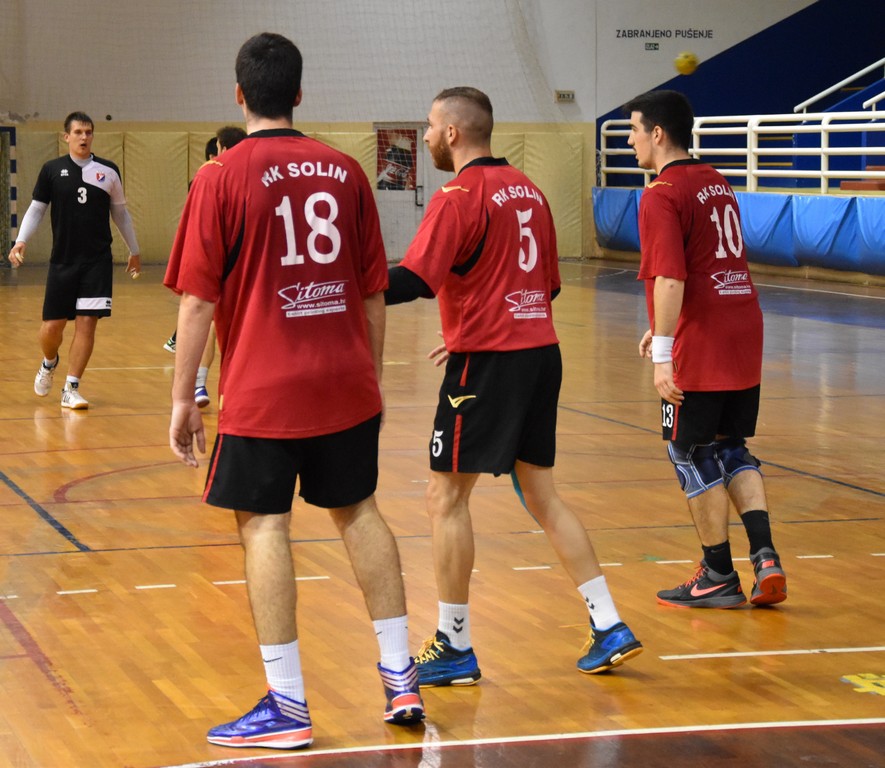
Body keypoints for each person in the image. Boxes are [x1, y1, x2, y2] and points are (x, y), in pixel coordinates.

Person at [165, 32, 424, 750]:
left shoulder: (219, 176)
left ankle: (287, 706)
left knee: (263, 527)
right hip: (346, 382)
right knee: (359, 512)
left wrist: (184, 397)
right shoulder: (346, 171)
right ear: (300, 93)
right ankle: (401, 679)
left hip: (263, 388)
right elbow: (373, 294)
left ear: (239, 94)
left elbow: (197, 302)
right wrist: (369, 380)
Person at [385, 87, 642, 685]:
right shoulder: (530, 190)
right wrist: (475, 321)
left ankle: (454, 645)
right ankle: (609, 623)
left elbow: (415, 281)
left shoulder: (457, 197)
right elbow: (544, 287)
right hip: (539, 355)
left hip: (488, 366)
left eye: (430, 126)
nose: (427, 136)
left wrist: (345, 283)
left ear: (453, 133)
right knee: (542, 494)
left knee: (445, 498)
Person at [624, 89, 787, 609]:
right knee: (730, 445)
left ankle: (717, 573)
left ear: (657, 134)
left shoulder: (660, 193)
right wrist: (660, 326)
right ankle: (765, 557)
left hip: (703, 340)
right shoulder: (716, 180)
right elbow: (708, 262)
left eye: (633, 130)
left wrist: (664, 353)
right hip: (744, 326)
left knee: (688, 450)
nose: (629, 141)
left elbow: (671, 277)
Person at [7, 111, 141, 410]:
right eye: (78, 132)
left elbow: (120, 213)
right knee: (51, 328)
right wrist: (21, 240)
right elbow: (37, 208)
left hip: (97, 261)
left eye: (88, 132)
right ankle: (49, 362)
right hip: (63, 261)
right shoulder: (52, 170)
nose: (84, 137)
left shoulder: (108, 171)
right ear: (66, 136)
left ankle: (71, 387)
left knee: (87, 324)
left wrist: (134, 249)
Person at [165, 126, 247, 408]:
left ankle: (203, 383)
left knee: (215, 319)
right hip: (230, 266)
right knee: (212, 320)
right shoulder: (211, 179)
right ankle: (201, 382)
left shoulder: (216, 177)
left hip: (231, 266)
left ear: (221, 149)